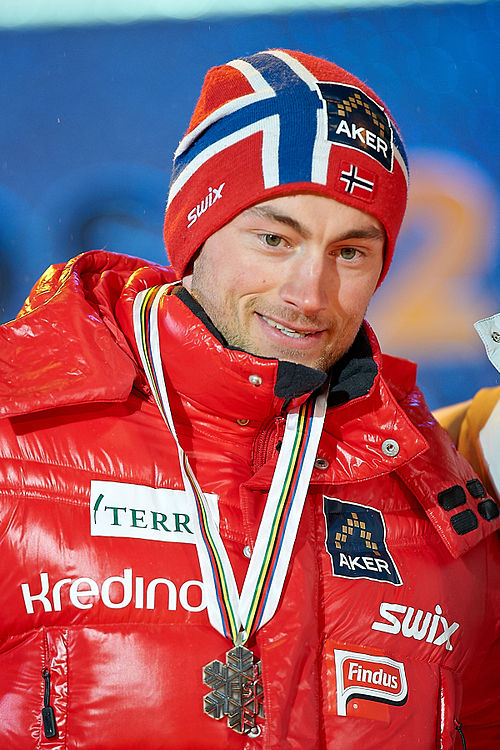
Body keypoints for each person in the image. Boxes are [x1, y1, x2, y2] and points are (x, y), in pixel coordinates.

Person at [0, 49, 498, 750]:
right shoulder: (15, 424)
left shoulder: (442, 497)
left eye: (350, 253)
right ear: (195, 234)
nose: (309, 293)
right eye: (273, 239)